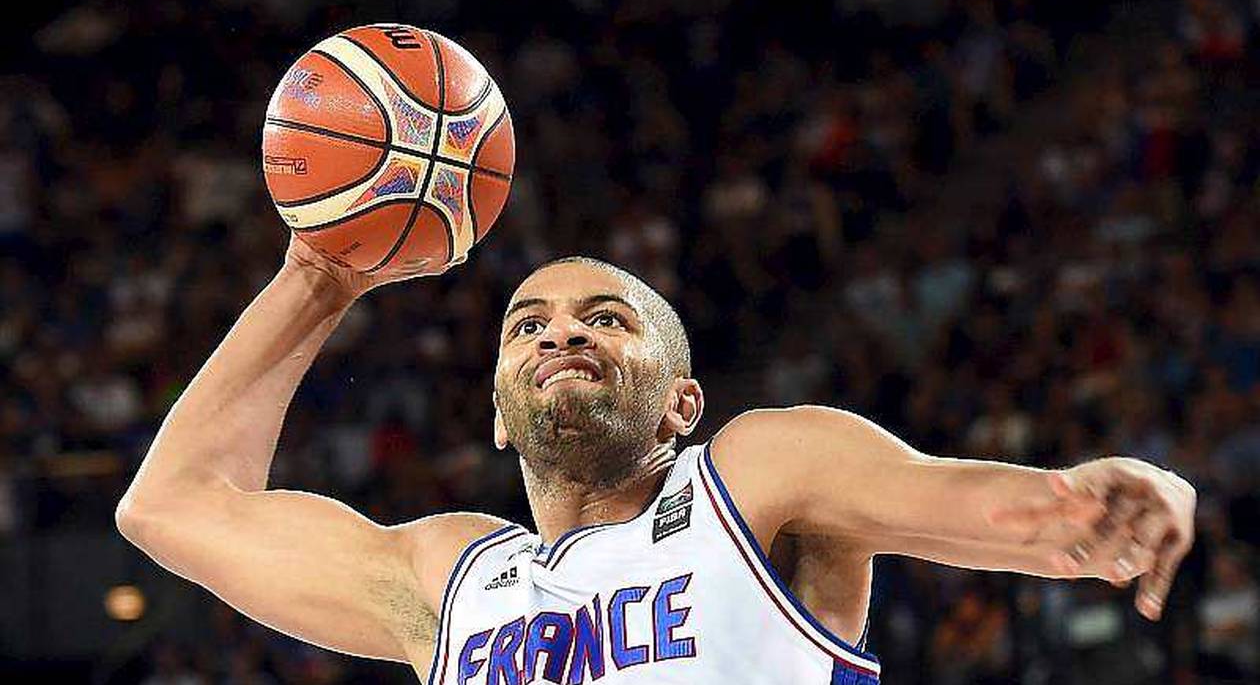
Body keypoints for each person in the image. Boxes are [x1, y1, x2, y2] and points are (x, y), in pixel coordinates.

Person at [116, 237, 1197, 684]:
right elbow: (171, 505)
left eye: (604, 318)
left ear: (683, 400)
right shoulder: (446, 582)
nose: (559, 334)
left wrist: (1095, 503)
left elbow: (978, 507)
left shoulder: (756, 478)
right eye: (525, 325)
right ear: (498, 413)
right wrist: (320, 274)